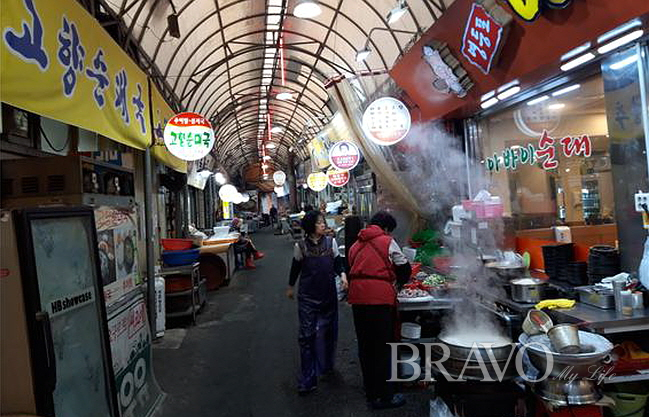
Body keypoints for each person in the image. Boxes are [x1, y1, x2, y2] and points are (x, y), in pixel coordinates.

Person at [347, 211, 411, 410]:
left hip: (358, 299)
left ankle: (371, 394)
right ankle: (386, 396)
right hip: (380, 299)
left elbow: (351, 266)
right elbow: (404, 267)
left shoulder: (355, 245)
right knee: (383, 346)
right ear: (385, 228)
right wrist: (398, 283)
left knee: (366, 347)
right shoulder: (387, 241)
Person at [286, 211, 348, 395]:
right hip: (307, 298)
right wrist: (290, 287)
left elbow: (338, 263)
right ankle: (308, 378)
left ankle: (327, 366)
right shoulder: (301, 246)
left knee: (329, 333)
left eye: (323, 222)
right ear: (311, 226)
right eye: (320, 222)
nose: (323, 224)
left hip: (328, 295)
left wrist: (343, 276)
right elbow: (295, 267)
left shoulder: (331, 243)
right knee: (306, 337)